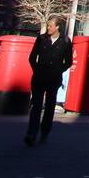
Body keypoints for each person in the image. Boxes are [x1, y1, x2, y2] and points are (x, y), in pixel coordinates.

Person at [25, 16, 73, 147]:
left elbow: (68, 62)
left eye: (51, 26)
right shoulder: (41, 39)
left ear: (57, 27)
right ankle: (31, 134)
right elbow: (32, 57)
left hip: (54, 78)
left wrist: (58, 71)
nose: (48, 28)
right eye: (48, 25)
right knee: (36, 106)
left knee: (50, 107)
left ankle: (45, 133)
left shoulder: (66, 41)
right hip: (39, 77)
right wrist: (37, 69)